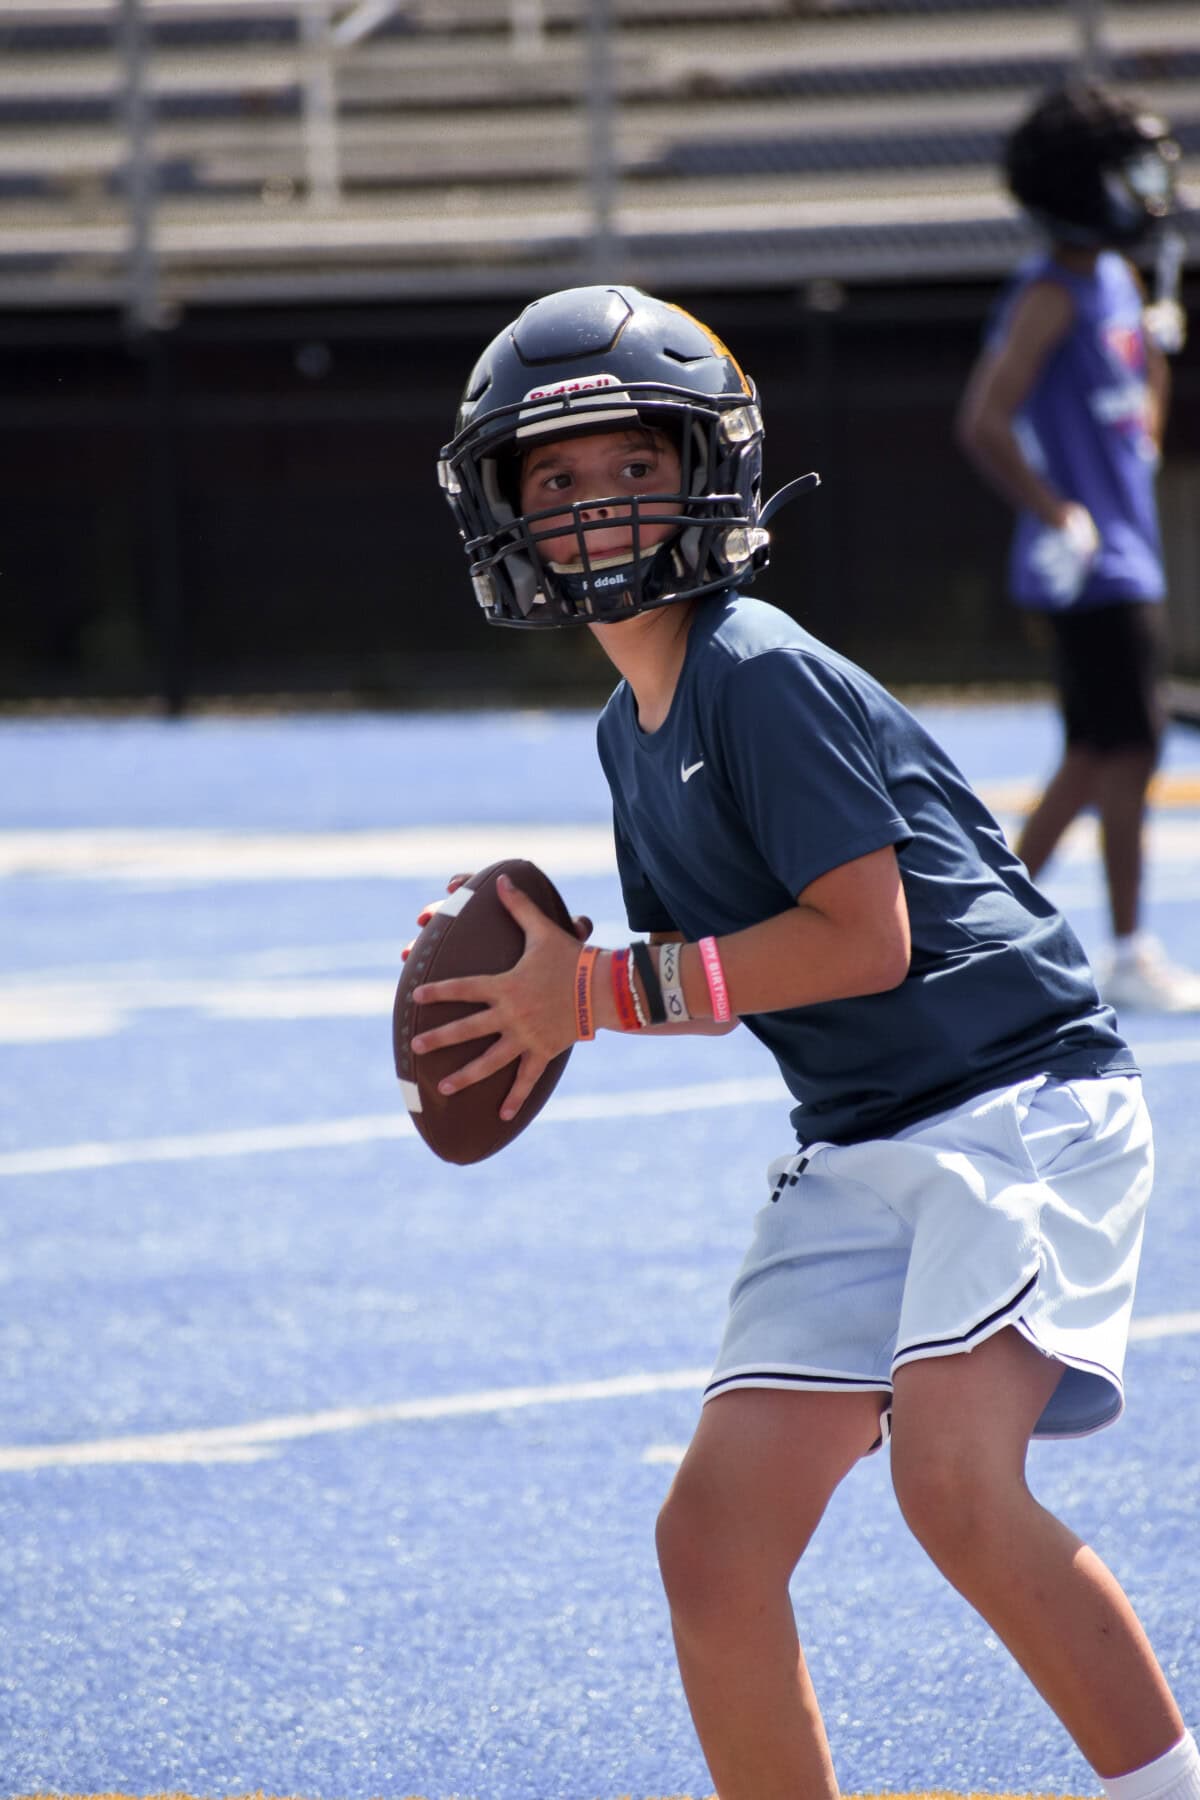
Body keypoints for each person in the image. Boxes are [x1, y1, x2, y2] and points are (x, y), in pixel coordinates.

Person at [413, 284, 1198, 1799]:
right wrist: (543, 971)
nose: (591, 510)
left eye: (633, 467)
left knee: (956, 1487)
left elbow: (864, 941)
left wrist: (589, 993)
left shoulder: (755, 669)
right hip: (863, 1140)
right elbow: (725, 972)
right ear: (500, 506)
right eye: (556, 481)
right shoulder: (621, 733)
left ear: (706, 471)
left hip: (1012, 1103)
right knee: (711, 1543)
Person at [957, 79, 1200, 1013]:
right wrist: (1058, 511)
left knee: (1106, 751)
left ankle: (996, 924)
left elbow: (1142, 421)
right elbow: (983, 421)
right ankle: (1114, 945)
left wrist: (1157, 350)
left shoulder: (1118, 279)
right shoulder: (1049, 294)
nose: (1150, 184)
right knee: (1119, 751)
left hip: (1125, 550)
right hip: (1095, 562)